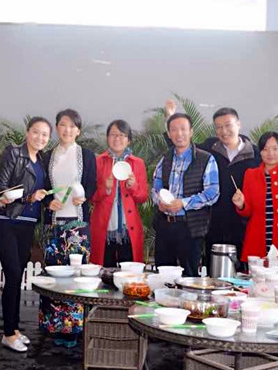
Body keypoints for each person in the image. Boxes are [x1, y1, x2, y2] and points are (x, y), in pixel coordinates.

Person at [165, 102, 260, 271]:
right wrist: (171, 116)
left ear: (238, 124)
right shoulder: (210, 148)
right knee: (213, 270)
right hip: (213, 221)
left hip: (244, 223)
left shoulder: (255, 154)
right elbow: (182, 145)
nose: (224, 131)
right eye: (219, 127)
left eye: (228, 125)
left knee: (241, 271)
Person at [39, 109, 98, 348]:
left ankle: (74, 328)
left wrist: (84, 198)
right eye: (63, 125)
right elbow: (42, 187)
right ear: (56, 128)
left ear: (79, 131)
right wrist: (47, 202)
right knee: (54, 275)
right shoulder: (47, 156)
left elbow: (92, 185)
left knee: (76, 276)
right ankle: (53, 326)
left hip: (77, 224)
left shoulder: (87, 155)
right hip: (54, 222)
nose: (67, 130)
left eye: (73, 126)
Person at [0, 117, 51, 353]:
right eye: (36, 132)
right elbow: (2, 190)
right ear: (27, 133)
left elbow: (43, 193)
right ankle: (8, 333)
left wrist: (48, 201)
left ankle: (14, 329)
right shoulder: (14, 154)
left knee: (16, 277)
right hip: (8, 221)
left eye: (45, 134)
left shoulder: (43, 161)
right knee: (13, 274)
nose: (40, 137)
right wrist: (29, 197)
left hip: (27, 224)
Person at [151, 113, 220, 277]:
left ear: (191, 132)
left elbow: (213, 193)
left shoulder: (205, 159)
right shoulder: (165, 159)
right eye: (174, 130)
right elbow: (156, 186)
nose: (179, 133)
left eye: (183, 129)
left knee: (190, 277)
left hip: (190, 228)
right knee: (163, 275)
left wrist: (183, 203)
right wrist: (159, 201)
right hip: (165, 225)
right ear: (169, 134)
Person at [232, 132, 278, 264]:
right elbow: (247, 212)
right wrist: (241, 204)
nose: (270, 153)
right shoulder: (250, 174)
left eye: (275, 148)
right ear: (260, 152)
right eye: (265, 149)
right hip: (257, 240)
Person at [89, 120, 148, 267]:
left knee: (129, 273)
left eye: (122, 135)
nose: (117, 139)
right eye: (113, 134)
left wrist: (133, 186)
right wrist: (105, 188)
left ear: (129, 140)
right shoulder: (98, 162)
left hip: (129, 228)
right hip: (104, 227)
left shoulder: (138, 163)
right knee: (103, 271)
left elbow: (142, 197)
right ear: (107, 138)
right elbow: (91, 197)